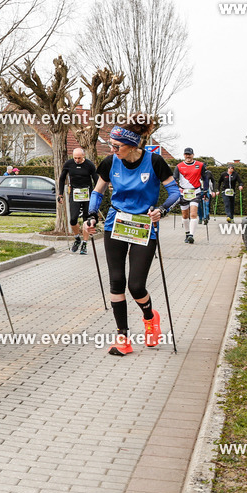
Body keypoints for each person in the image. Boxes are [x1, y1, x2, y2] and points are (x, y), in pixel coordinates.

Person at [84, 117, 181, 356]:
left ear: (132, 146)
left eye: (117, 146)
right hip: (116, 224)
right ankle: (122, 338)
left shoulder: (155, 161)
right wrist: (91, 215)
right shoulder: (110, 162)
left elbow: (175, 192)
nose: (112, 150)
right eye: (111, 146)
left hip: (144, 225)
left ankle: (150, 318)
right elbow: (98, 191)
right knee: (116, 282)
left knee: (136, 286)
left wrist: (163, 209)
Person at [58, 148, 98, 256]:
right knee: (73, 219)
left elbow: (96, 179)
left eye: (79, 158)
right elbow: (62, 179)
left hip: (87, 194)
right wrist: (60, 194)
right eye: (75, 158)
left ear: (83, 156)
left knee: (86, 220)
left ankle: (84, 243)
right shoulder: (69, 164)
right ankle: (77, 238)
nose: (77, 160)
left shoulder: (89, 165)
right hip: (75, 194)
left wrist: (96, 195)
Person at [174, 148, 210, 244]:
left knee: (193, 214)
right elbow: (175, 180)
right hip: (183, 193)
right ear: (184, 155)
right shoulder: (179, 166)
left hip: (195, 192)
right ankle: (187, 233)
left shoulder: (200, 165)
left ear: (193, 155)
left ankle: (191, 235)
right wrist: (174, 192)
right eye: (186, 154)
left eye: (189, 154)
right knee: (185, 215)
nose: (188, 156)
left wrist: (205, 190)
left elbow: (205, 178)